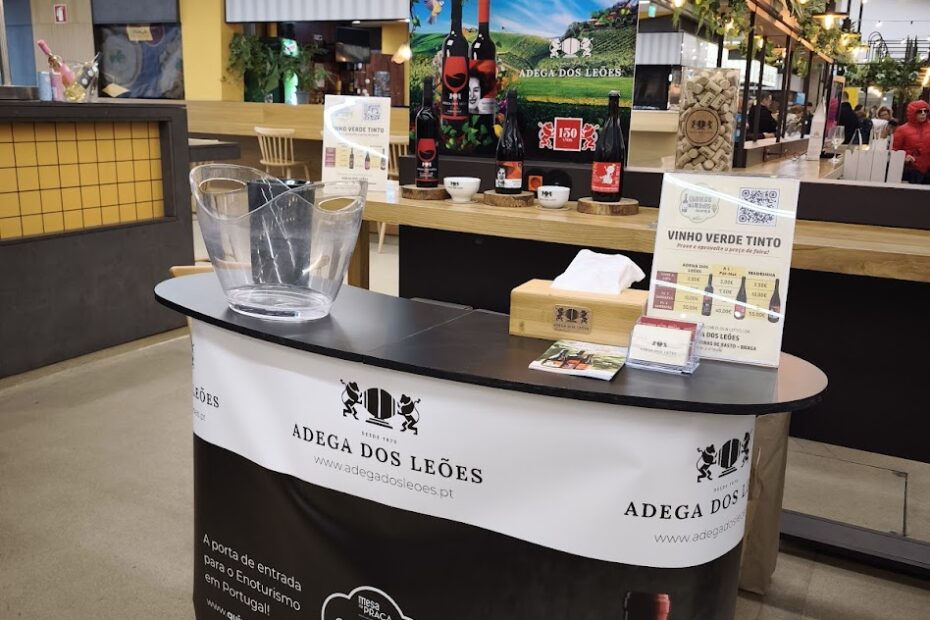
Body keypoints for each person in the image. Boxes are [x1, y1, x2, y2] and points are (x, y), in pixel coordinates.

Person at [892, 99, 930, 184]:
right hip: (911, 170)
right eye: (919, 111)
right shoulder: (902, 130)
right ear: (913, 113)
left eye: (926, 111)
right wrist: (905, 157)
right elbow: (894, 150)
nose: (923, 113)